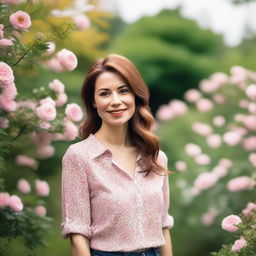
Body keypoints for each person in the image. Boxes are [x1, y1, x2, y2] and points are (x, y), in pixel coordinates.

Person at [61, 54, 174, 256]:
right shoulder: (79, 157)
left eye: (123, 91)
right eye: (104, 94)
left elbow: (163, 226)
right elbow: (77, 234)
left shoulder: (156, 157)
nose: (116, 101)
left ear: (135, 96)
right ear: (93, 102)